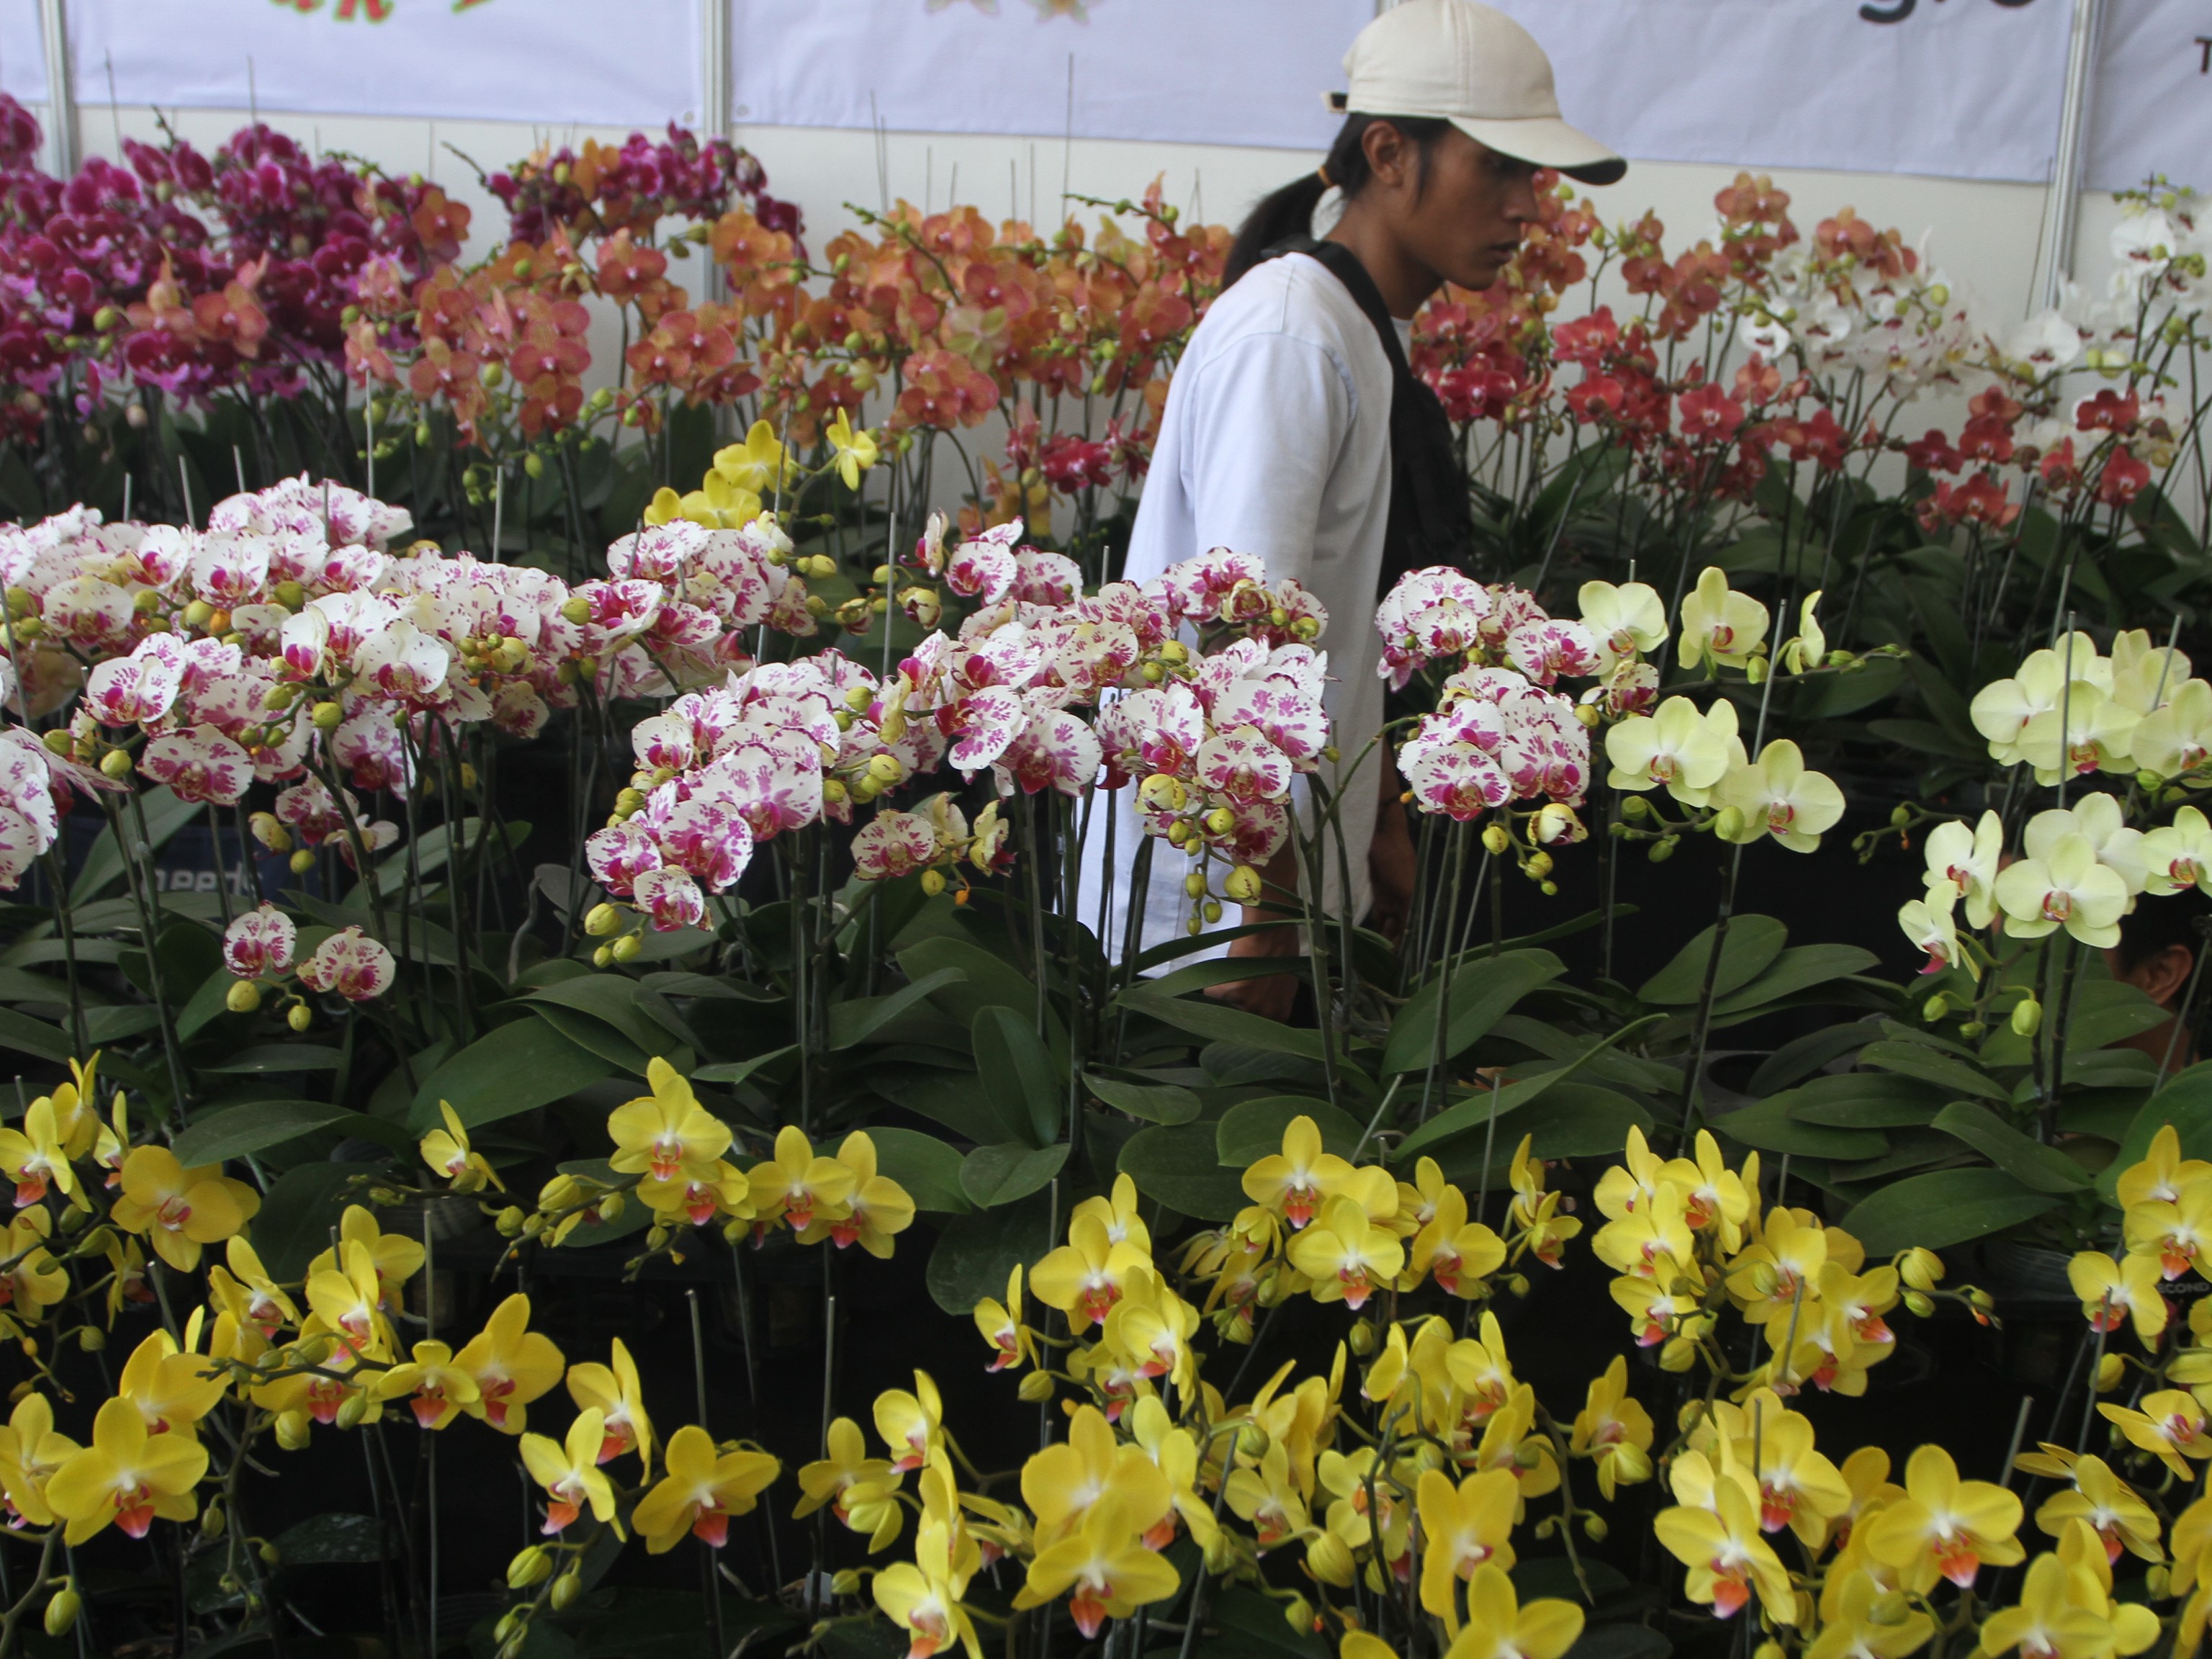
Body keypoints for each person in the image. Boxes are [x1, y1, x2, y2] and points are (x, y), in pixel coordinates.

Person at [1082, 0, 1625, 1018]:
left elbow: (1335, 602)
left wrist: (1376, 828)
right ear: (1389, 152)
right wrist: (1266, 919)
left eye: (1532, 177)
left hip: (1282, 873)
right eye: (1498, 168)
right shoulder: (1294, 337)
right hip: (1217, 900)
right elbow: (1238, 645)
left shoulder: (1356, 328)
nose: (1526, 209)